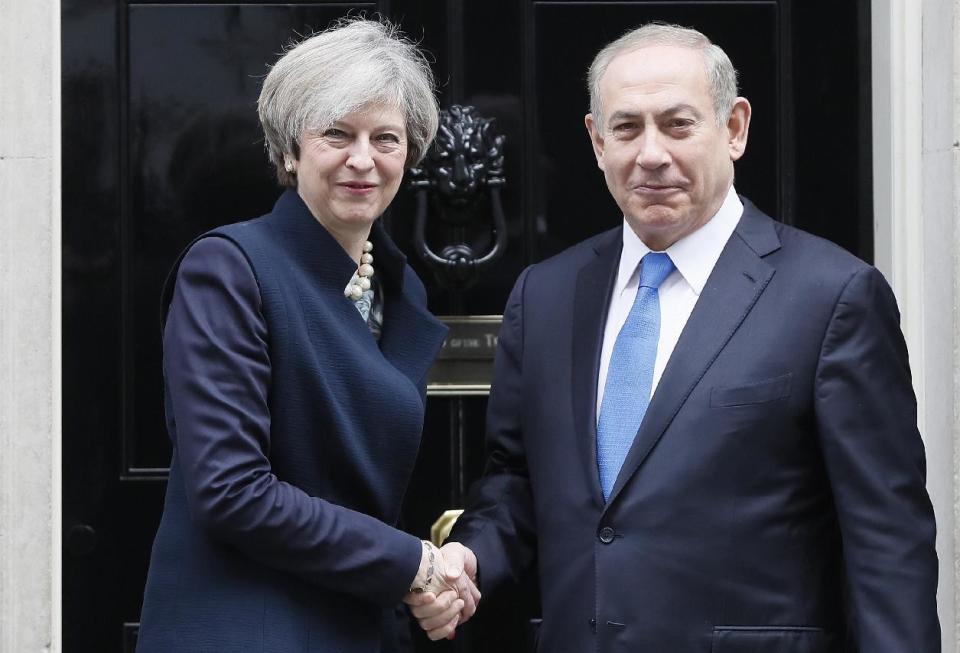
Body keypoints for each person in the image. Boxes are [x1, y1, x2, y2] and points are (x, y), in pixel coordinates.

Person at [407, 22, 940, 651]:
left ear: (734, 128)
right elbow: (515, 482)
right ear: (596, 140)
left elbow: (887, 544)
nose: (651, 154)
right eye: (627, 128)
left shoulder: (834, 298)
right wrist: (473, 556)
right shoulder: (545, 294)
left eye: (678, 124)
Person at [136, 18, 478, 653]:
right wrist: (414, 565)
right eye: (336, 134)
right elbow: (232, 492)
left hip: (355, 623)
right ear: (290, 151)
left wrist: (427, 586)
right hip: (247, 628)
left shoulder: (402, 291)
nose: (362, 159)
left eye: (387, 138)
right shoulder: (230, 269)